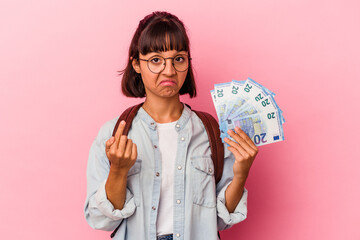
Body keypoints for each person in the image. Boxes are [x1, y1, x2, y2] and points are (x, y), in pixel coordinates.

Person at [84, 11, 258, 240]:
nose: (169, 70)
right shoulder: (114, 134)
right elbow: (101, 219)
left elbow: (219, 221)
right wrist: (118, 169)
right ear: (137, 64)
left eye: (178, 58)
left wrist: (241, 174)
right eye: (156, 60)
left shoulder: (211, 131)